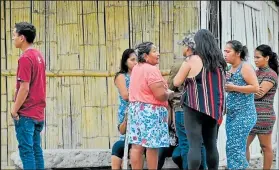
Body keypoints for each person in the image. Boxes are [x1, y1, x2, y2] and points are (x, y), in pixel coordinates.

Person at [173, 29, 227, 170]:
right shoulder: (220, 62)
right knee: (211, 145)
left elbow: (176, 82)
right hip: (213, 109)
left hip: (194, 107)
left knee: (194, 145)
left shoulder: (192, 60)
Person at [127, 42, 174, 169]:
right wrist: (168, 94)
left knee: (137, 146)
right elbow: (160, 95)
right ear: (145, 56)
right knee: (152, 147)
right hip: (150, 112)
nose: (158, 54)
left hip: (136, 110)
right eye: (154, 51)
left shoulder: (136, 68)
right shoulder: (151, 70)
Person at [168, 33, 207, 170]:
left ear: (188, 47)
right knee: (200, 144)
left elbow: (172, 85)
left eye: (183, 46)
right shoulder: (207, 62)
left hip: (183, 107)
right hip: (202, 108)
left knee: (186, 144)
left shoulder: (182, 64)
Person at [11, 22, 46, 169]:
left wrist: (14, 109)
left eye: (14, 35)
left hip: (27, 114)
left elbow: (24, 88)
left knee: (26, 152)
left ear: (22, 38)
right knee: (36, 150)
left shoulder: (25, 58)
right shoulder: (38, 55)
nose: (13, 38)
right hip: (38, 114)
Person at [224, 40, 259, 169]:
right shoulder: (230, 68)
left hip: (244, 115)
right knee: (232, 147)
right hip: (233, 115)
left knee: (236, 148)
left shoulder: (245, 67)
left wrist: (235, 87)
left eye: (228, 51)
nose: (225, 54)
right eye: (225, 51)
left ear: (238, 53)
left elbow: (255, 88)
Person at [246, 44, 278, 169]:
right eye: (254, 57)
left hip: (264, 117)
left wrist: (243, 92)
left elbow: (259, 94)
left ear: (267, 58)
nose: (255, 60)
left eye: (258, 57)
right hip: (251, 116)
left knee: (265, 147)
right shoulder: (255, 73)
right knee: (243, 145)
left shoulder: (271, 74)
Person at [111, 49, 137, 169]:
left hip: (140, 113)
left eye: (137, 59)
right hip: (126, 111)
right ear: (125, 62)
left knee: (135, 147)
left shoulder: (141, 75)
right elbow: (125, 96)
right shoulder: (121, 76)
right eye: (132, 60)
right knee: (122, 139)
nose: (135, 62)